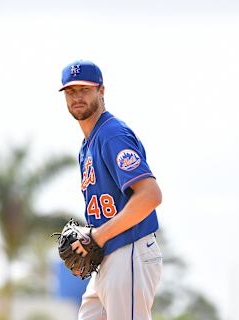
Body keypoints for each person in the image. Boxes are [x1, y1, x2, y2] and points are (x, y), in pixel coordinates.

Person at [59, 60, 163, 320]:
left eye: (85, 89)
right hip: (109, 258)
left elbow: (150, 195)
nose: (77, 97)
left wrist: (97, 236)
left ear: (101, 91)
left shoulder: (111, 134)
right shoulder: (88, 144)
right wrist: (92, 242)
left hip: (129, 251)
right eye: (71, 91)